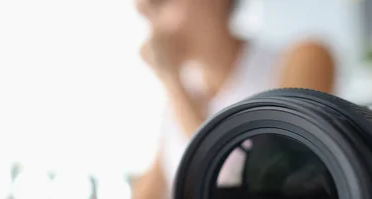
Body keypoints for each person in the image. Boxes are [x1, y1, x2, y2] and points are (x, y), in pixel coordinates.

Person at [131, 0, 336, 198]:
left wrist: (172, 80)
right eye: (143, 11)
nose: (149, 20)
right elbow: (153, 187)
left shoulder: (300, 60)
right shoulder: (182, 93)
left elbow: (254, 179)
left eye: (159, 2)